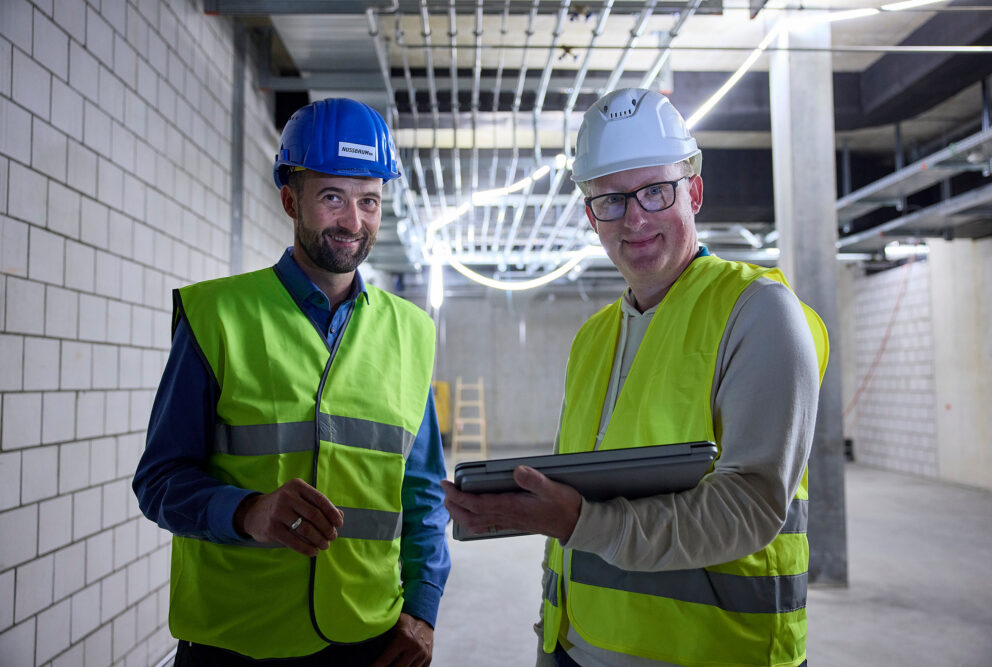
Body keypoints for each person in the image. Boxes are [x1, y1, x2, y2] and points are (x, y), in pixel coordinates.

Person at [442, 87, 828, 667]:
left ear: (693, 191)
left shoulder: (760, 312)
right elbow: (589, 494)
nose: (636, 218)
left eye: (655, 191)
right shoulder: (594, 338)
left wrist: (578, 521)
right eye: (612, 200)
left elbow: (750, 506)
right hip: (575, 649)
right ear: (589, 213)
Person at [133, 98, 450, 666]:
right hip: (234, 643)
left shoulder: (412, 333)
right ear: (290, 200)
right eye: (333, 197)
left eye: (369, 201)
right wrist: (247, 511)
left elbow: (423, 493)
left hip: (369, 640)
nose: (353, 222)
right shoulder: (217, 317)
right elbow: (158, 482)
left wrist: (422, 610)